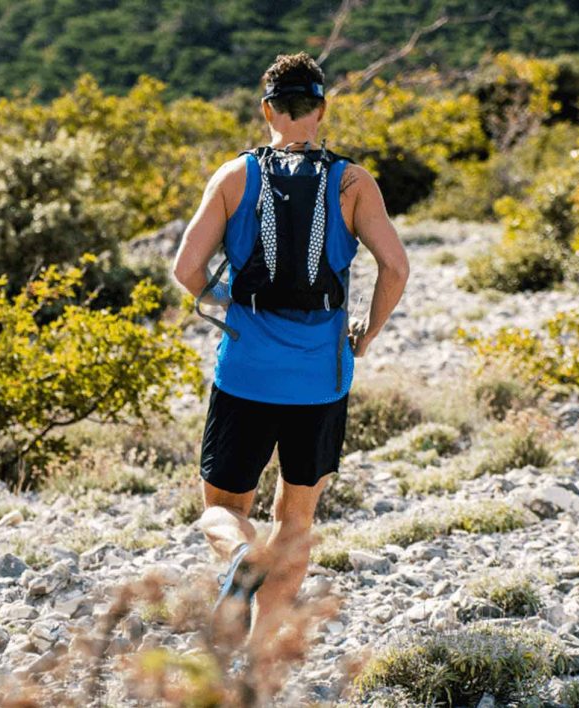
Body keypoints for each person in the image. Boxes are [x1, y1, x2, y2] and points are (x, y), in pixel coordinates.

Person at [171, 52, 409, 641]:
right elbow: (396, 268)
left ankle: (239, 558)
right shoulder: (353, 182)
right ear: (322, 109)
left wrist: (229, 301)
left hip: (245, 373)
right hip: (320, 380)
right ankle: (260, 653)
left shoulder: (234, 176)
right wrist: (366, 333)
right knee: (296, 518)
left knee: (222, 509)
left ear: (268, 109)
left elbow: (186, 268)